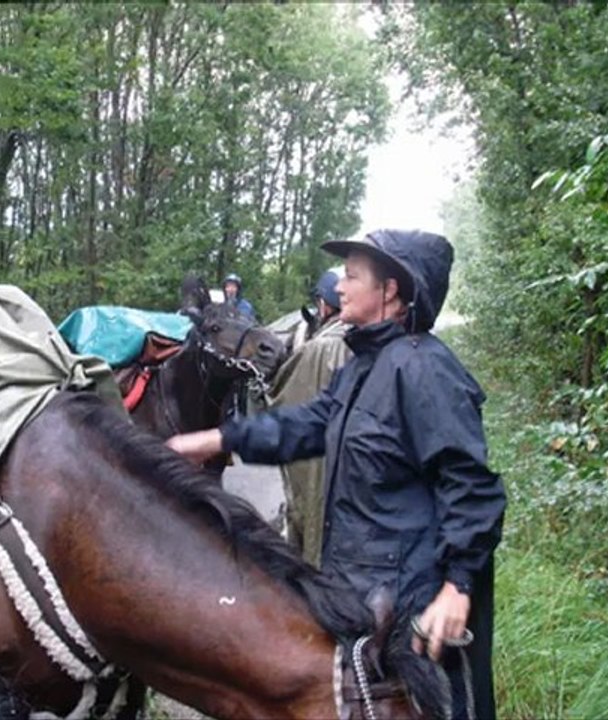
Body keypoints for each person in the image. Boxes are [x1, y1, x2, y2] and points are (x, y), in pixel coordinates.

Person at [167, 229, 506, 720]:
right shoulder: (364, 366)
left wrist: (458, 586)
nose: (339, 287)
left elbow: (471, 488)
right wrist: (217, 440)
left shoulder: (424, 371)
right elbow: (306, 425)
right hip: (360, 594)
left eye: (351, 276)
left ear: (390, 290)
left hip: (411, 608)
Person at [269, 267, 351, 567]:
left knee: (310, 507)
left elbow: (285, 397)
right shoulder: (365, 340)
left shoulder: (321, 348)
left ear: (324, 305)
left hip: (320, 457)